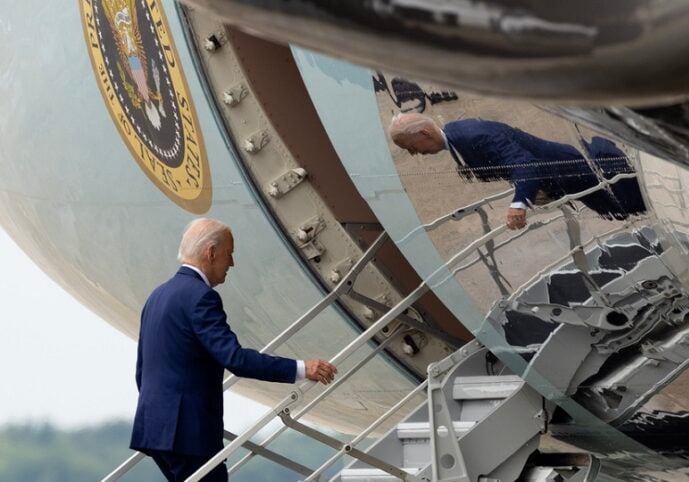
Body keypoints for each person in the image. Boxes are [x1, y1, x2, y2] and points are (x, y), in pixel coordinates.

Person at [130, 218, 337, 481]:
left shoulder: (158, 295)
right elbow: (235, 358)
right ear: (211, 252)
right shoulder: (201, 297)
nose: (232, 263)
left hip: (156, 428)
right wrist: (301, 368)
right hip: (188, 433)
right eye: (230, 254)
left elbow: (142, 369)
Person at [389, 113, 646, 229]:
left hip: (577, 172)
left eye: (411, 147)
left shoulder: (471, 137)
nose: (415, 154)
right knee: (628, 206)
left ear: (423, 133)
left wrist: (519, 203)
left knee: (631, 205)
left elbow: (524, 164)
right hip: (564, 176)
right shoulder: (458, 135)